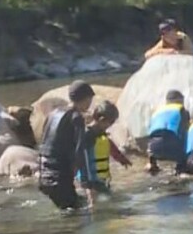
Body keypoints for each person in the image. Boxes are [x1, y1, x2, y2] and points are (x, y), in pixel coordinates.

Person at [38, 81, 96, 210]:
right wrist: (87, 184)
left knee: (71, 207)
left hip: (44, 176)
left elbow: (43, 144)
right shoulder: (77, 118)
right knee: (76, 219)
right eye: (90, 99)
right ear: (86, 98)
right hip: (59, 179)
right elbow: (81, 152)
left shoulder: (53, 114)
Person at [76, 101, 130, 197]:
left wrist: (121, 159)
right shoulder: (87, 136)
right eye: (111, 122)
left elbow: (110, 147)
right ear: (102, 120)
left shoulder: (102, 135)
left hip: (101, 181)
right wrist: (88, 185)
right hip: (89, 182)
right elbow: (82, 159)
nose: (111, 125)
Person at [146, 90, 190, 174]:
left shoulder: (156, 112)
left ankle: (152, 164)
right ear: (179, 100)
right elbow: (185, 133)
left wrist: (150, 153)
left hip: (154, 147)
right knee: (182, 167)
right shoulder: (182, 110)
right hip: (171, 144)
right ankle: (180, 170)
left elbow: (150, 132)